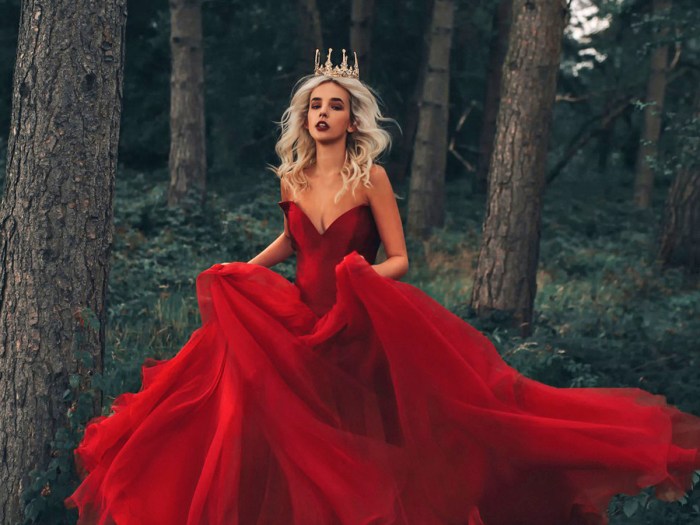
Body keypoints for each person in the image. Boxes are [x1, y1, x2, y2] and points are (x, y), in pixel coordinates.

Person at [65, 49, 700, 525]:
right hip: (300, 321)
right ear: (303, 116)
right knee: (265, 417)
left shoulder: (372, 177)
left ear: (353, 119)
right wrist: (242, 269)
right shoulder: (290, 176)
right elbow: (292, 243)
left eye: (334, 105)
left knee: (387, 430)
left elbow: (401, 259)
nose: (322, 113)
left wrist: (357, 279)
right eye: (314, 105)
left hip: (359, 320)